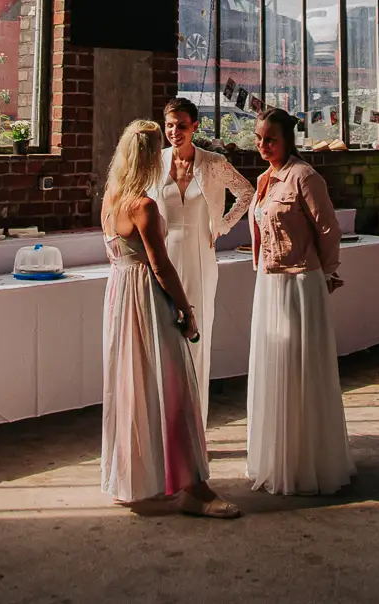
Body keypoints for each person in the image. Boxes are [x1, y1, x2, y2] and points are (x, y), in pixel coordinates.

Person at [100, 117, 240, 518]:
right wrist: (186, 310)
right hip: (146, 299)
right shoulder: (141, 206)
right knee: (175, 388)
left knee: (133, 389)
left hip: (120, 300)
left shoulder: (111, 199)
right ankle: (194, 489)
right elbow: (160, 266)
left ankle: (133, 479)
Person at [246, 107, 355, 497]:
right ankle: (277, 456)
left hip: (299, 283)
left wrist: (325, 273)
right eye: (258, 139)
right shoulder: (263, 180)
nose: (262, 146)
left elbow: (329, 228)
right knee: (274, 365)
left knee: (299, 367)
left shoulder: (305, 176)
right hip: (269, 282)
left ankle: (308, 459)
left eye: (270, 139)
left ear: (288, 139)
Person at [158, 97, 254, 422]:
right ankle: (167, 424)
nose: (174, 132)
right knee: (164, 336)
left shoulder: (212, 162)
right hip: (163, 254)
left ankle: (195, 425)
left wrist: (223, 225)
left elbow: (247, 193)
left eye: (181, 125)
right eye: (169, 125)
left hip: (201, 254)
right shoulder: (156, 163)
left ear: (194, 127)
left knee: (197, 335)